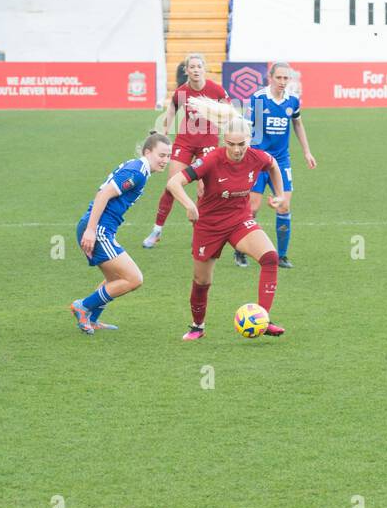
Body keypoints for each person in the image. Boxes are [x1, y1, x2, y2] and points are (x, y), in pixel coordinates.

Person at [164, 117, 287, 341]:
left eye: (242, 144)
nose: (237, 149)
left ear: (249, 141)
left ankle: (263, 319)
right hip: (209, 225)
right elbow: (173, 183)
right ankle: (197, 326)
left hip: (239, 220)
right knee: (202, 281)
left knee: (270, 257)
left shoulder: (256, 157)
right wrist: (190, 204)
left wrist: (279, 195)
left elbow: (273, 165)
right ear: (224, 141)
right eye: (231, 144)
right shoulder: (211, 160)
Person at [72, 133, 173, 335]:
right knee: (134, 279)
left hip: (101, 228)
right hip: (99, 229)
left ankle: (92, 319)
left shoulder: (139, 169)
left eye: (168, 156)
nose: (165, 160)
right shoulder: (137, 172)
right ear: (147, 152)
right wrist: (91, 230)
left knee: (114, 278)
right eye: (161, 155)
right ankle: (82, 306)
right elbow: (103, 194)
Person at [233, 62, 317, 270]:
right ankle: (240, 250)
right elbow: (246, 127)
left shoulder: (292, 101)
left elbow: (297, 123)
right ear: (270, 77)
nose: (282, 82)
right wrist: (240, 153)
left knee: (284, 205)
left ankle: (282, 255)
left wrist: (306, 151)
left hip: (280, 161)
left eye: (285, 78)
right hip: (257, 160)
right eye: (278, 78)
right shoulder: (259, 99)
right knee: (252, 208)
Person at [142, 53, 230, 249]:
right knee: (171, 185)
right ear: (187, 70)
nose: (196, 70)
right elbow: (172, 109)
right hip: (185, 142)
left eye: (199, 66)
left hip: (208, 144)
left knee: (203, 189)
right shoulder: (182, 92)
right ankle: (157, 231)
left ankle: (199, 233)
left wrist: (226, 127)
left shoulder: (215, 90)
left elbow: (229, 112)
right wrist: (163, 133)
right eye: (192, 67)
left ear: (204, 69)